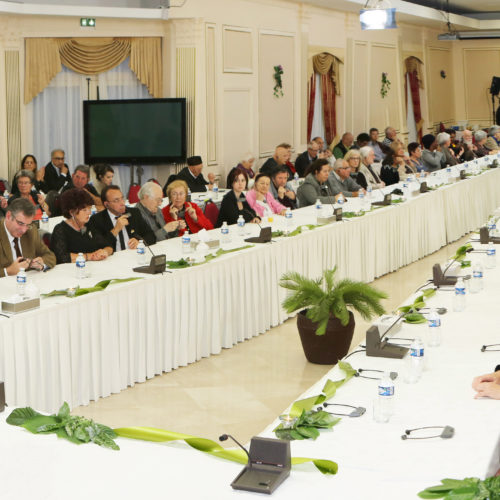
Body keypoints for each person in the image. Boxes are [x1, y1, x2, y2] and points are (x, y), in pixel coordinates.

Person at [50, 188, 114, 264]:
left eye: (89, 208)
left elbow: (109, 246)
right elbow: (61, 257)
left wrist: (104, 252)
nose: (89, 212)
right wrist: (88, 256)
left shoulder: (89, 225)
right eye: (84, 210)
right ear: (71, 212)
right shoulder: (60, 229)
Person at [87, 185, 155, 251]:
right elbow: (98, 246)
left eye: (122, 198)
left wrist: (139, 242)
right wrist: (116, 229)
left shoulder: (134, 213)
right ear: (106, 204)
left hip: (134, 254)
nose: (122, 203)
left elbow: (151, 236)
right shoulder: (96, 220)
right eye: (116, 200)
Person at [0, 198, 56, 277]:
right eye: (20, 223)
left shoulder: (31, 231)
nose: (24, 230)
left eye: (28, 225)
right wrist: (8, 271)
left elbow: (50, 256)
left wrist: (42, 262)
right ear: (9, 216)